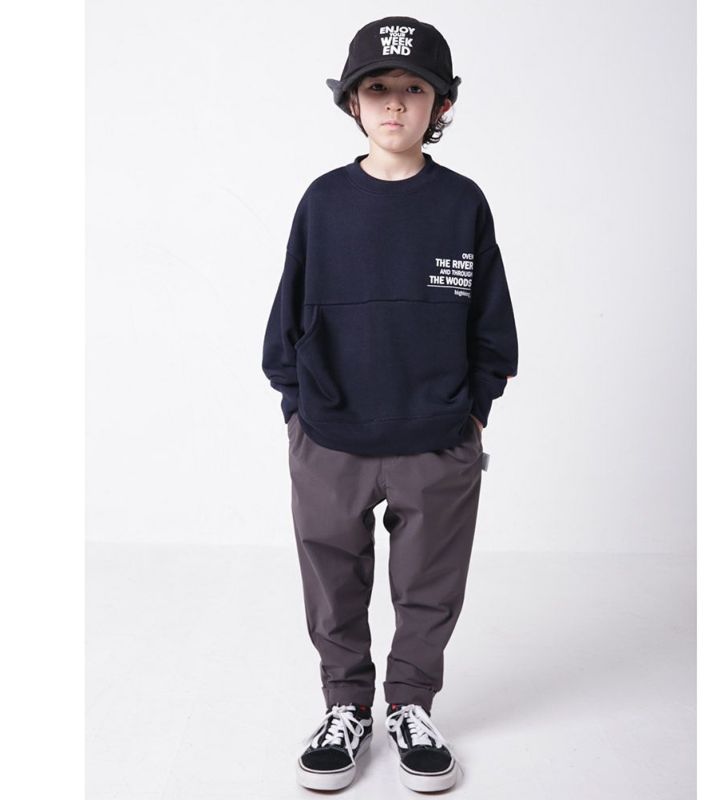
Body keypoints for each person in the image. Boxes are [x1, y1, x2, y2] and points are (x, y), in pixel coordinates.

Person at [261, 15, 518, 792]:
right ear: (352, 102)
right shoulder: (323, 202)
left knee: (429, 588)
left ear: (442, 104)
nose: (396, 103)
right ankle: (346, 708)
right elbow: (286, 316)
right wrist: (298, 411)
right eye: (378, 88)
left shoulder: (462, 203)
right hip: (331, 437)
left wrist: (474, 412)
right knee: (332, 582)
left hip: (437, 438)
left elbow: (492, 324)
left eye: (414, 88)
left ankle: (410, 705)